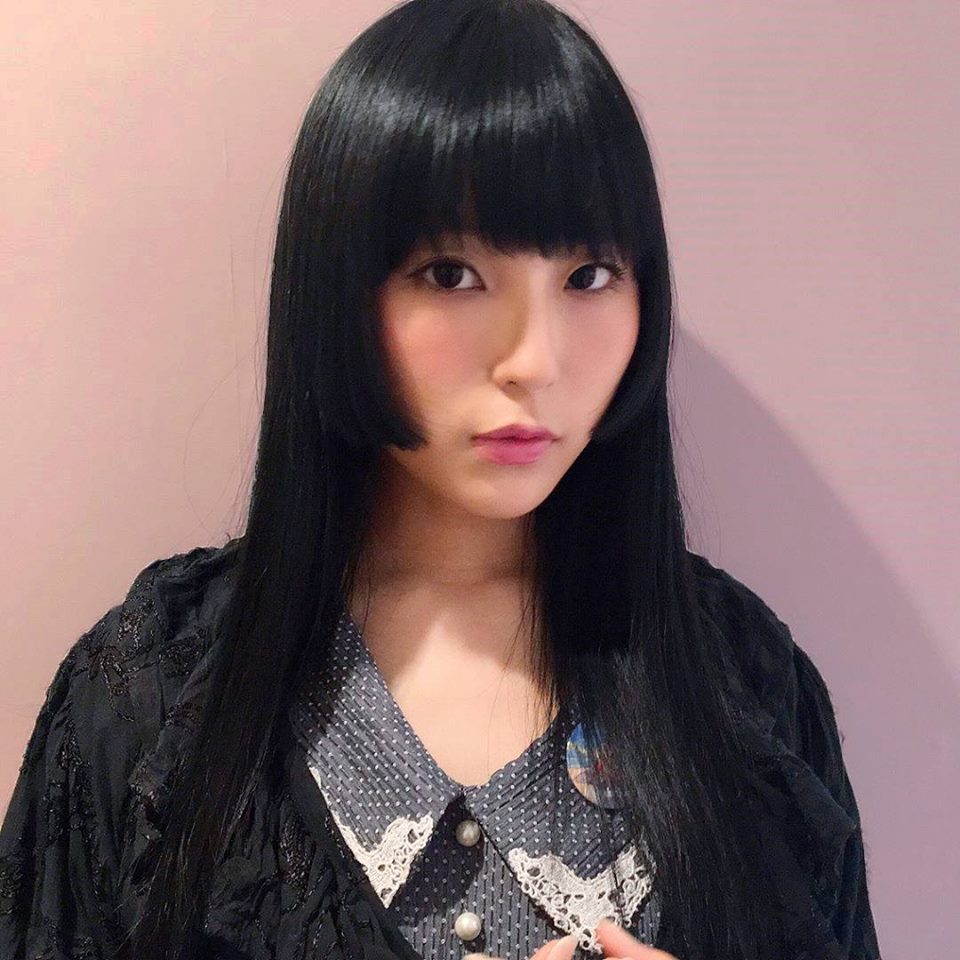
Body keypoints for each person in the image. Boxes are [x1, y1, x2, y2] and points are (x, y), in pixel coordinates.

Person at [0, 1, 881, 958]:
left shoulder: (744, 685)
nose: (534, 359)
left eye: (589, 275)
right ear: (337, 291)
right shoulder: (155, 696)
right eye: (452, 274)